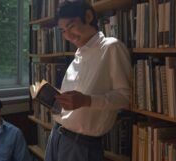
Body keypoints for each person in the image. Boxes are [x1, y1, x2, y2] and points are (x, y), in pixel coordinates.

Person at [45, 1, 131, 161]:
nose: (68, 36)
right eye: (63, 31)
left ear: (88, 16)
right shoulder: (78, 54)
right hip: (56, 136)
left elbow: (124, 98)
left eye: (71, 26)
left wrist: (86, 100)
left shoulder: (111, 47)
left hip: (81, 144)